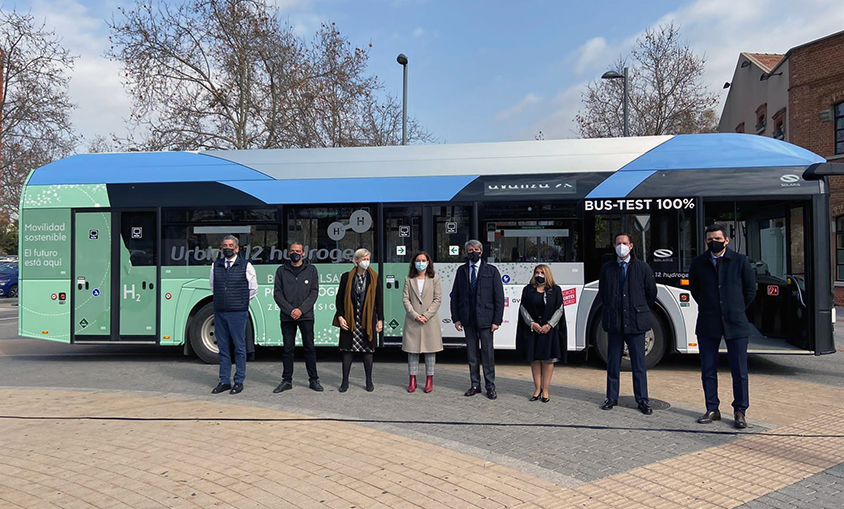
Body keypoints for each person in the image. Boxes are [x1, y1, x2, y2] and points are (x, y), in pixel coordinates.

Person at [689, 223, 756, 429]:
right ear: (705, 241)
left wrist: (735, 308)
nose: (714, 242)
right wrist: (710, 306)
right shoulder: (699, 263)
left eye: (718, 239)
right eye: (710, 239)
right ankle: (712, 408)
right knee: (708, 369)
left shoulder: (740, 261)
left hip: (735, 323)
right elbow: (695, 290)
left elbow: (750, 290)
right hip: (708, 322)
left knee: (739, 370)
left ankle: (740, 410)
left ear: (726, 240)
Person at [597, 233, 656, 414]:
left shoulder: (643, 268)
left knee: (638, 364)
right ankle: (611, 397)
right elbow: (603, 293)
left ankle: (642, 400)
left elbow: (651, 294)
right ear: (614, 246)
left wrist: (637, 308)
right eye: (618, 243)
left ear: (631, 246)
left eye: (625, 243)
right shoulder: (607, 268)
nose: (621, 246)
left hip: (636, 322)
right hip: (615, 322)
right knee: (613, 362)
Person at [450, 240, 505, 400]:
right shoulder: (461, 271)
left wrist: (497, 320)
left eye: (475, 249)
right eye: (469, 250)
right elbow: (455, 296)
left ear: (481, 251)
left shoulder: (491, 271)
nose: (473, 252)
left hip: (486, 320)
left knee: (488, 354)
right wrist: (456, 318)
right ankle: (475, 384)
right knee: (472, 354)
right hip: (468, 319)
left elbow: (499, 298)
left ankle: (490, 386)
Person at [210, 235, 257, 395]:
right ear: (221, 248)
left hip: (238, 312)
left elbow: (253, 289)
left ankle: (239, 381)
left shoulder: (246, 266)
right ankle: (224, 381)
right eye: (225, 245)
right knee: (223, 348)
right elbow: (213, 287)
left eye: (231, 245)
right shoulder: (215, 266)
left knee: (239, 347)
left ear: (237, 248)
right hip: (220, 311)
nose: (227, 248)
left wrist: (241, 303)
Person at [272, 241, 322, 393]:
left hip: (306, 316)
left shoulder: (311, 270)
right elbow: (277, 293)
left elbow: (314, 292)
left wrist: (301, 310)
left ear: (303, 253)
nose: (295, 253)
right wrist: (290, 310)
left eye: (298, 251)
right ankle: (287, 380)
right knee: (288, 349)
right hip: (287, 317)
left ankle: (314, 380)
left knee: (309, 348)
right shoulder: (281, 271)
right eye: (292, 251)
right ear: (288, 253)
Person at [334, 248, 383, 392]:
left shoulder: (374, 277)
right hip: (350, 318)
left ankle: (369, 381)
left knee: (368, 351)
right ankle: (345, 382)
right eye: (363, 259)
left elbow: (379, 300)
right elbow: (339, 299)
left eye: (368, 259)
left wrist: (380, 319)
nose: (366, 262)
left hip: (367, 319)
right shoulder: (346, 277)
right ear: (356, 261)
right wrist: (340, 316)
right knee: (347, 351)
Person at [516, 264, 566, 402]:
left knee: (548, 361)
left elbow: (559, 309)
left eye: (542, 273)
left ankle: (546, 390)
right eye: (537, 272)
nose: (539, 275)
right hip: (533, 330)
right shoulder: (528, 290)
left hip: (548, 330)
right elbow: (523, 308)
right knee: (535, 360)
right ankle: (537, 389)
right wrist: (532, 323)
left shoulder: (555, 290)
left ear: (547, 274)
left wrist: (549, 324)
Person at [401, 251, 443, 393]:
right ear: (414, 263)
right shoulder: (409, 279)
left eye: (424, 260)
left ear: (428, 262)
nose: (421, 263)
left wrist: (426, 315)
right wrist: (414, 315)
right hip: (413, 321)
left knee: (430, 352)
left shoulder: (434, 279)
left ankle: (429, 380)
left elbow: (437, 299)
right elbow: (405, 299)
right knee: (412, 352)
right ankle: (412, 380)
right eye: (418, 260)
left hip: (429, 321)